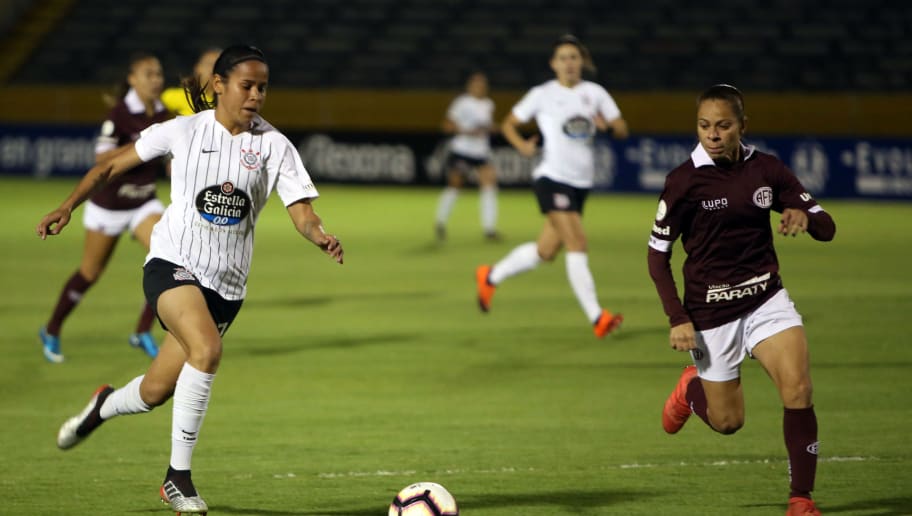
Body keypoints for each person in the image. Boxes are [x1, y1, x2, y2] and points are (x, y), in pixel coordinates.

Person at [36, 45, 344, 514]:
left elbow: (301, 211)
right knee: (207, 350)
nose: (256, 95)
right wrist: (67, 207)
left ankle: (102, 406)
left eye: (263, 87)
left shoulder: (275, 145)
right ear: (219, 85)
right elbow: (109, 165)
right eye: (247, 85)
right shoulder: (182, 131)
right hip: (171, 264)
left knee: (154, 392)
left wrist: (318, 234)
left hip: (227, 290)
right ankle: (177, 479)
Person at [647, 84, 835, 516]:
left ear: (742, 126)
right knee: (728, 423)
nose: (712, 135)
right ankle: (690, 388)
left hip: (766, 299)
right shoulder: (683, 181)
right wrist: (677, 317)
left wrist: (805, 217)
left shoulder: (766, 169)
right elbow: (658, 257)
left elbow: (828, 226)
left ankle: (801, 499)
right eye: (704, 126)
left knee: (799, 389)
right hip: (710, 314)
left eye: (723, 126)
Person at [475, 34, 628, 338]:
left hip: (580, 184)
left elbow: (622, 129)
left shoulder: (594, 93)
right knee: (577, 243)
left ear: (581, 62)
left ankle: (490, 276)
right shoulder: (542, 94)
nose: (569, 63)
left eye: (574, 57)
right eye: (563, 58)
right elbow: (508, 123)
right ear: (553, 64)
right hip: (551, 178)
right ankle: (597, 317)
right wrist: (522, 145)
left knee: (545, 251)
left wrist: (607, 125)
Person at [38, 51, 170, 362]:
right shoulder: (120, 116)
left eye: (159, 74)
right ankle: (52, 329)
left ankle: (141, 331)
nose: (156, 80)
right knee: (90, 272)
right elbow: (101, 160)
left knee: (173, 259)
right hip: (109, 205)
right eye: (149, 74)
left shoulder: (165, 114)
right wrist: (144, 142)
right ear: (132, 79)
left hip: (144, 202)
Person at [434, 71, 500, 241]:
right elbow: (447, 125)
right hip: (462, 150)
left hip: (481, 152)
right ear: (470, 86)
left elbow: (488, 126)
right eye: (476, 84)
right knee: (455, 185)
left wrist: (491, 128)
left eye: (483, 84)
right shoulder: (462, 102)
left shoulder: (488, 104)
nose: (480, 87)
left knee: (489, 184)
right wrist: (466, 131)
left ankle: (489, 229)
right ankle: (440, 221)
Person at [161, 47, 221, 116]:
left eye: (218, 65)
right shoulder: (173, 96)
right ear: (197, 68)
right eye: (209, 64)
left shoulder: (228, 102)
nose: (213, 69)